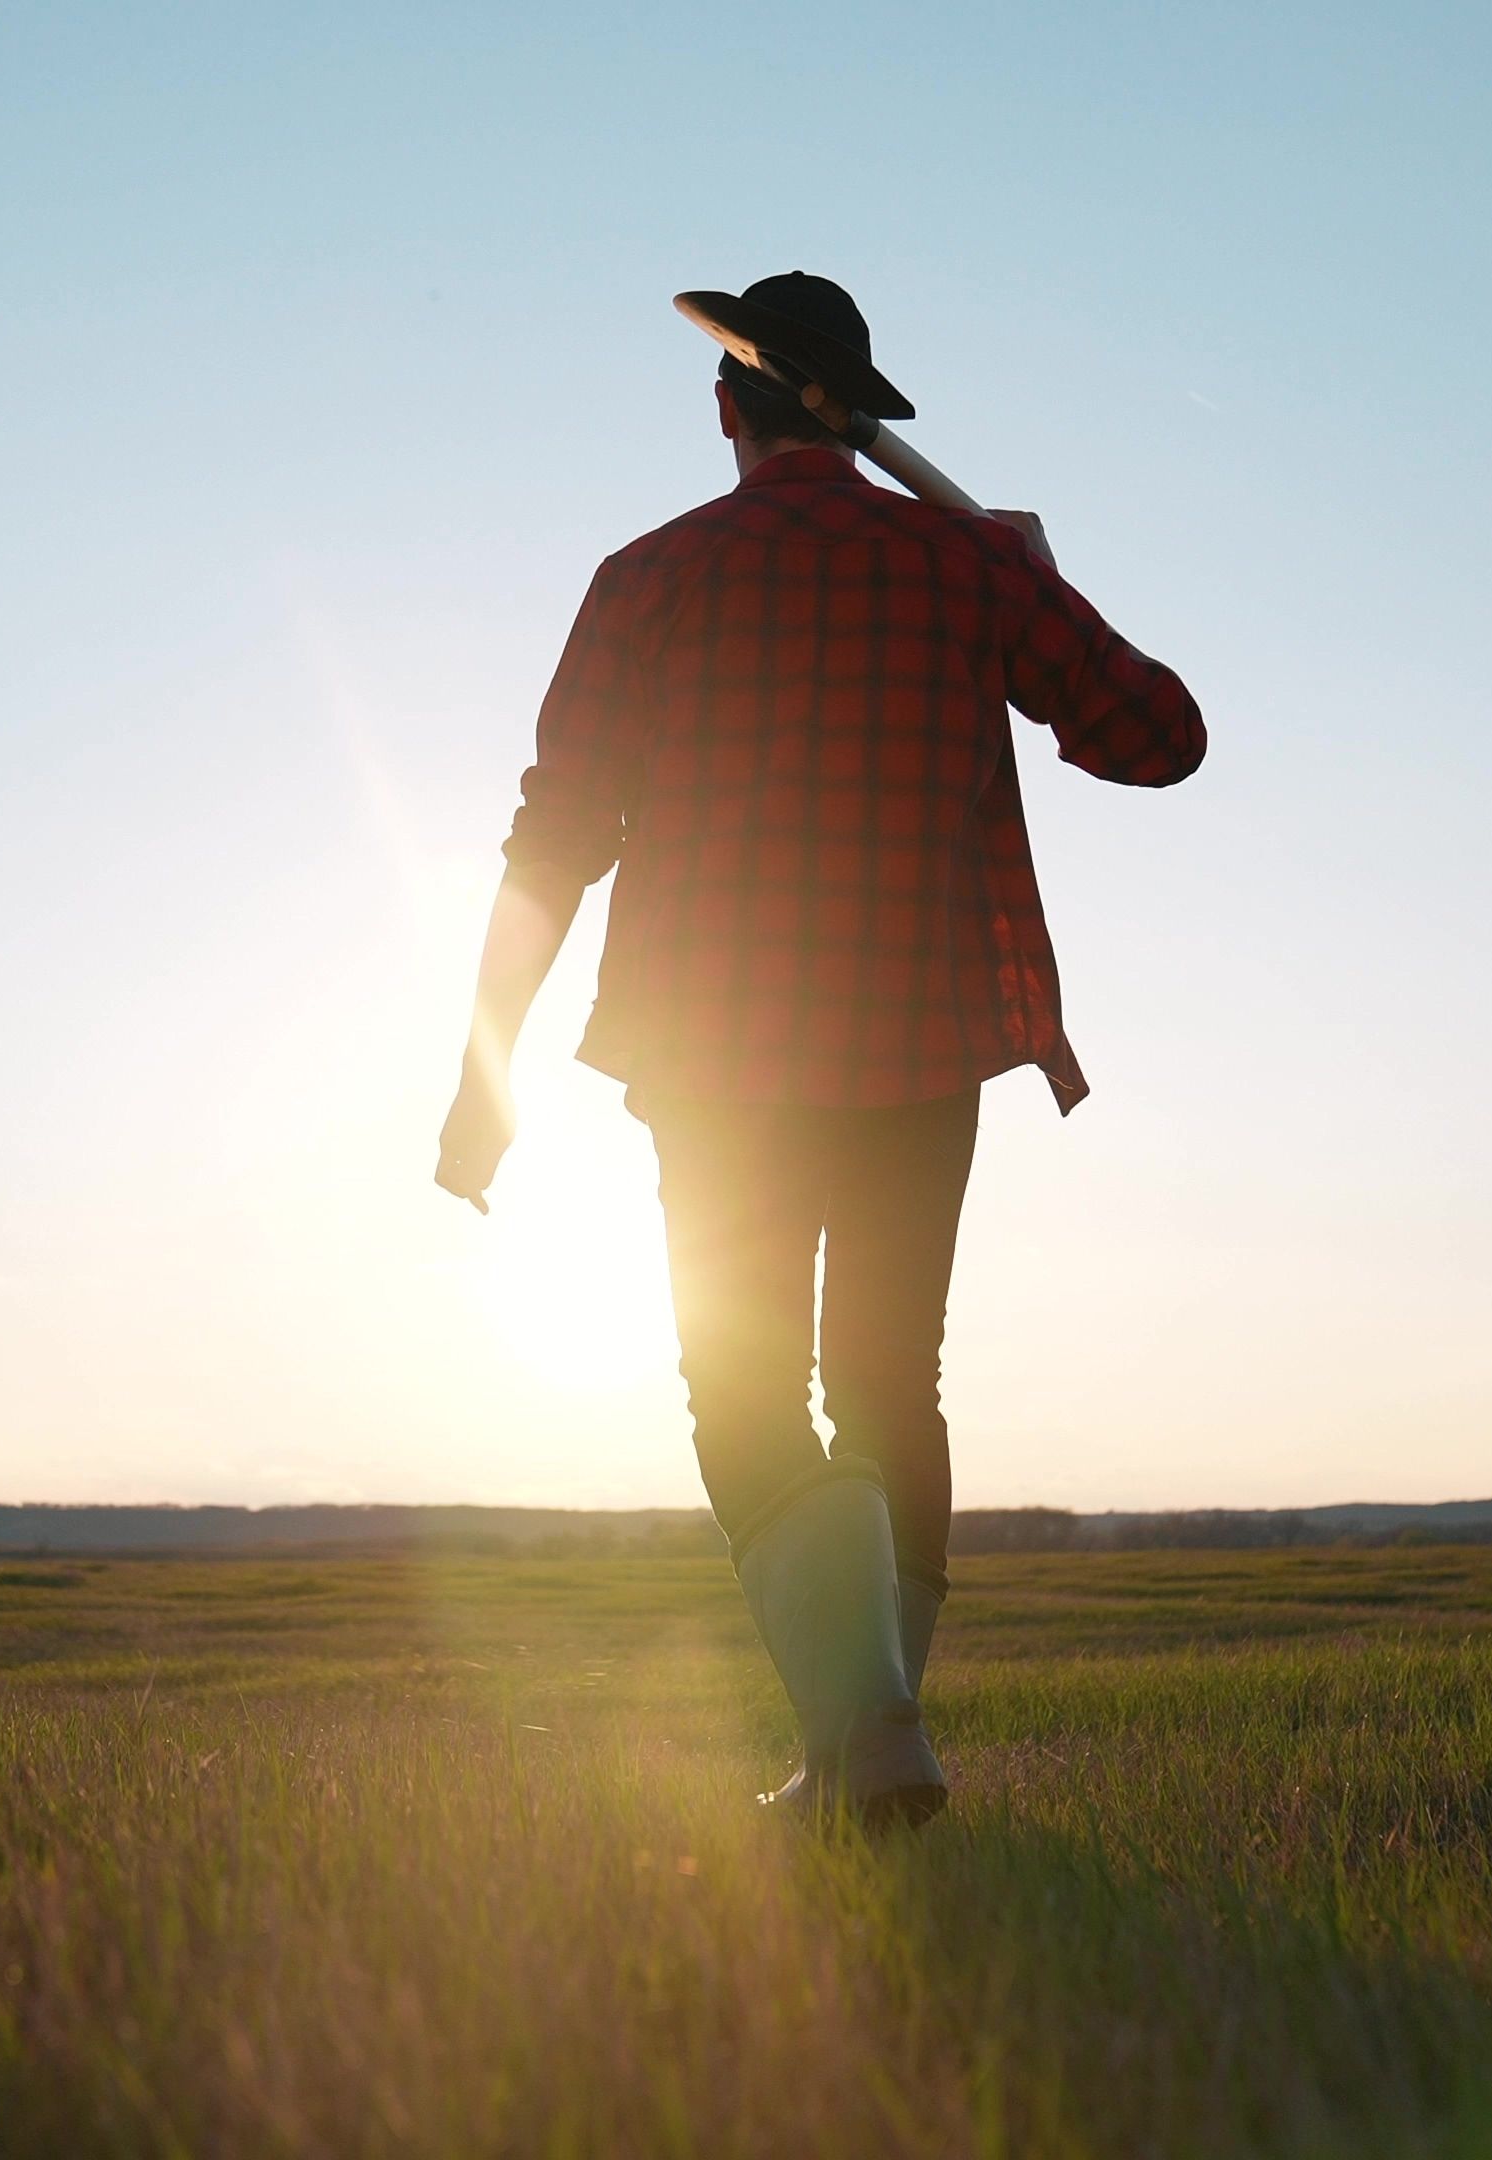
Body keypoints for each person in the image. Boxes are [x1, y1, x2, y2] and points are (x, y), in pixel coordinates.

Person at [432, 272, 1208, 1826]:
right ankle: (867, 1737)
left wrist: (486, 1072)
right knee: (889, 1384)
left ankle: (862, 1733)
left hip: (718, 1050)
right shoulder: (960, 564)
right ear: (857, 420)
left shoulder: (648, 576)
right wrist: (1044, 578)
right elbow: (1161, 737)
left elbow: (553, 844)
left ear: (730, 408)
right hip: (923, 1039)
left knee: (743, 1401)